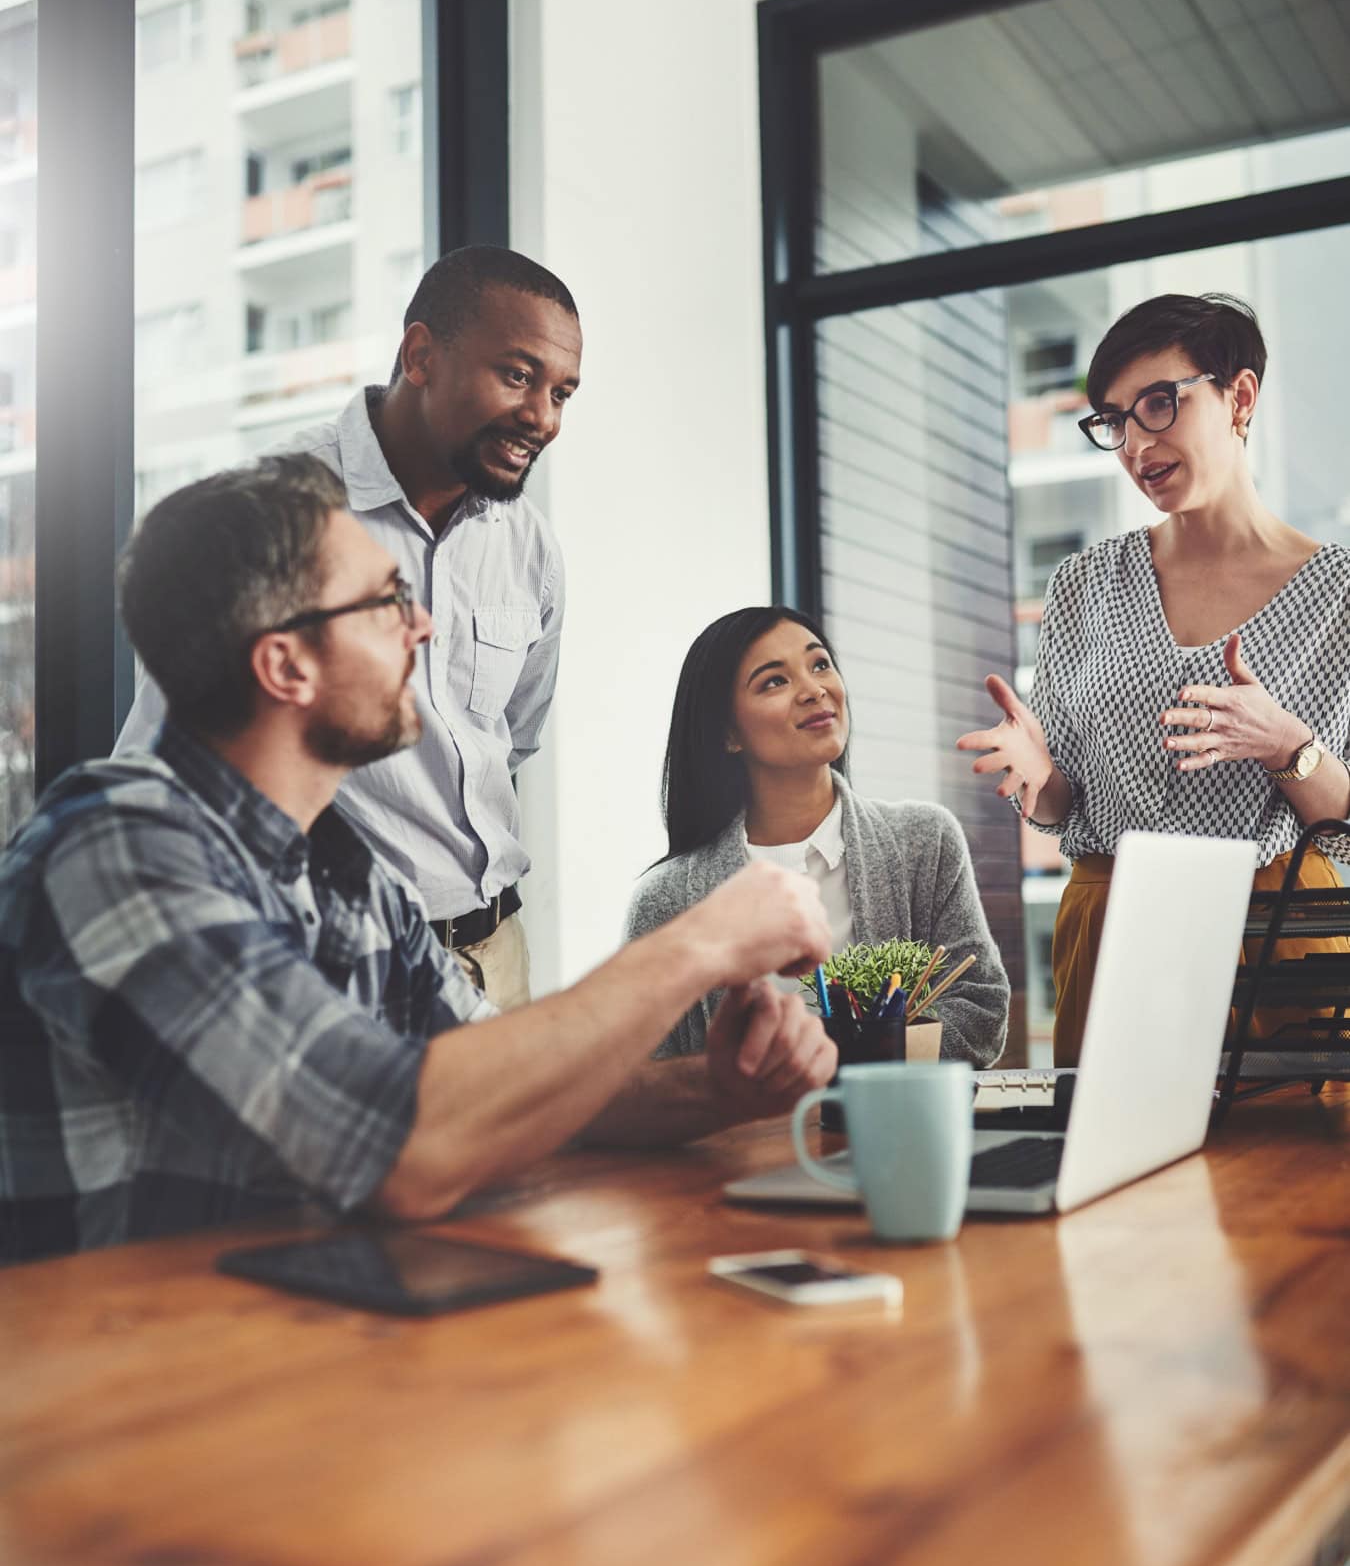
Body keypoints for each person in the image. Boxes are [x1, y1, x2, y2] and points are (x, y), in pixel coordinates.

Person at [0, 459, 836, 1265]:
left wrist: (718, 1092)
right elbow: (402, 1142)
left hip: (297, 1342)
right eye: (389, 600)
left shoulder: (345, 869)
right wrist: (697, 945)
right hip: (119, 1379)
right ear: (285, 664)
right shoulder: (118, 844)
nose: (424, 626)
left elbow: (503, 1083)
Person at [117, 245, 581, 1011]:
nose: (543, 417)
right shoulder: (282, 512)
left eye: (562, 391)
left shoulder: (528, 546)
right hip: (328, 958)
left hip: (498, 952)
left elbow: (511, 739)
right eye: (518, 375)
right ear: (421, 355)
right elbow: (172, 758)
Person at [956, 291, 1350, 1070]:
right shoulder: (1085, 584)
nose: (1136, 444)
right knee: (1114, 1184)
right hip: (1115, 930)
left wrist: (1287, 746)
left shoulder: (1340, 594)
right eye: (1115, 420)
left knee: (1292, 1188)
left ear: (1239, 396)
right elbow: (1066, 800)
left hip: (1279, 938)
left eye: (1160, 405)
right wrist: (1039, 779)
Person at [623, 606, 1009, 1064]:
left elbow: (981, 1010)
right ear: (729, 733)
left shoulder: (925, 841)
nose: (813, 690)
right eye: (774, 681)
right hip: (741, 1137)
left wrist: (849, 1064)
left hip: (894, 1130)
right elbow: (645, 1072)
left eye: (820, 664)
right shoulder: (665, 899)